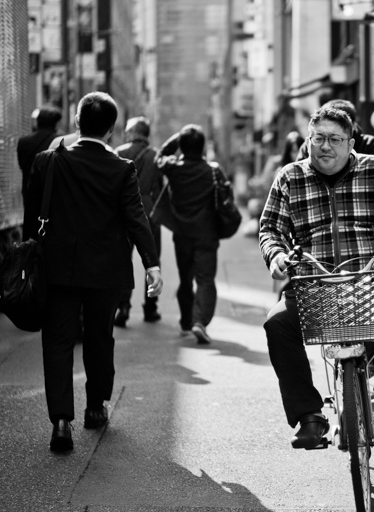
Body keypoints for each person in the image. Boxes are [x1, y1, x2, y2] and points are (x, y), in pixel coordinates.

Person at [260, 106, 374, 449]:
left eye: (335, 139)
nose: (326, 146)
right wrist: (276, 256)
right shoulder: (290, 177)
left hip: (370, 286)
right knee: (276, 324)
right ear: (308, 140)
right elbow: (271, 229)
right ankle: (309, 415)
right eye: (318, 138)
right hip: (312, 287)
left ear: (351, 143)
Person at [23, 92, 163, 453]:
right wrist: (151, 264)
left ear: (76, 122)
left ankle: (59, 422)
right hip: (105, 270)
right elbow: (136, 218)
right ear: (112, 130)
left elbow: (32, 215)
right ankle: (96, 407)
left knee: (57, 341)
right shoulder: (121, 168)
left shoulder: (46, 162)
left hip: (57, 269)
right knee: (100, 337)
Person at [155, 124, 226, 345]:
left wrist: (177, 139)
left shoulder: (174, 167)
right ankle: (199, 322)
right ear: (203, 146)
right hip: (206, 235)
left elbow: (159, 157)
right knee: (205, 279)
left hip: (182, 234)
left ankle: (187, 320)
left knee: (185, 278)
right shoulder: (213, 170)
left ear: (182, 146)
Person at [114, 116, 163, 326]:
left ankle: (123, 307)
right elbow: (160, 188)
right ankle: (150, 308)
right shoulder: (155, 156)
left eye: (127, 130)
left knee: (122, 260)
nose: (125, 133)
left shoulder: (119, 153)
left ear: (134, 133)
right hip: (150, 213)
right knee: (151, 260)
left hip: (123, 213)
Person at [296, 98, 374, 160]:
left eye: (335, 139)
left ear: (353, 125)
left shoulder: (368, 144)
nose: (326, 147)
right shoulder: (311, 145)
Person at [16, 105, 62, 200]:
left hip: (29, 191)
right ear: (55, 123)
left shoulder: (23, 141)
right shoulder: (60, 141)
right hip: (52, 193)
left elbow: (21, 165)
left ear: (38, 121)